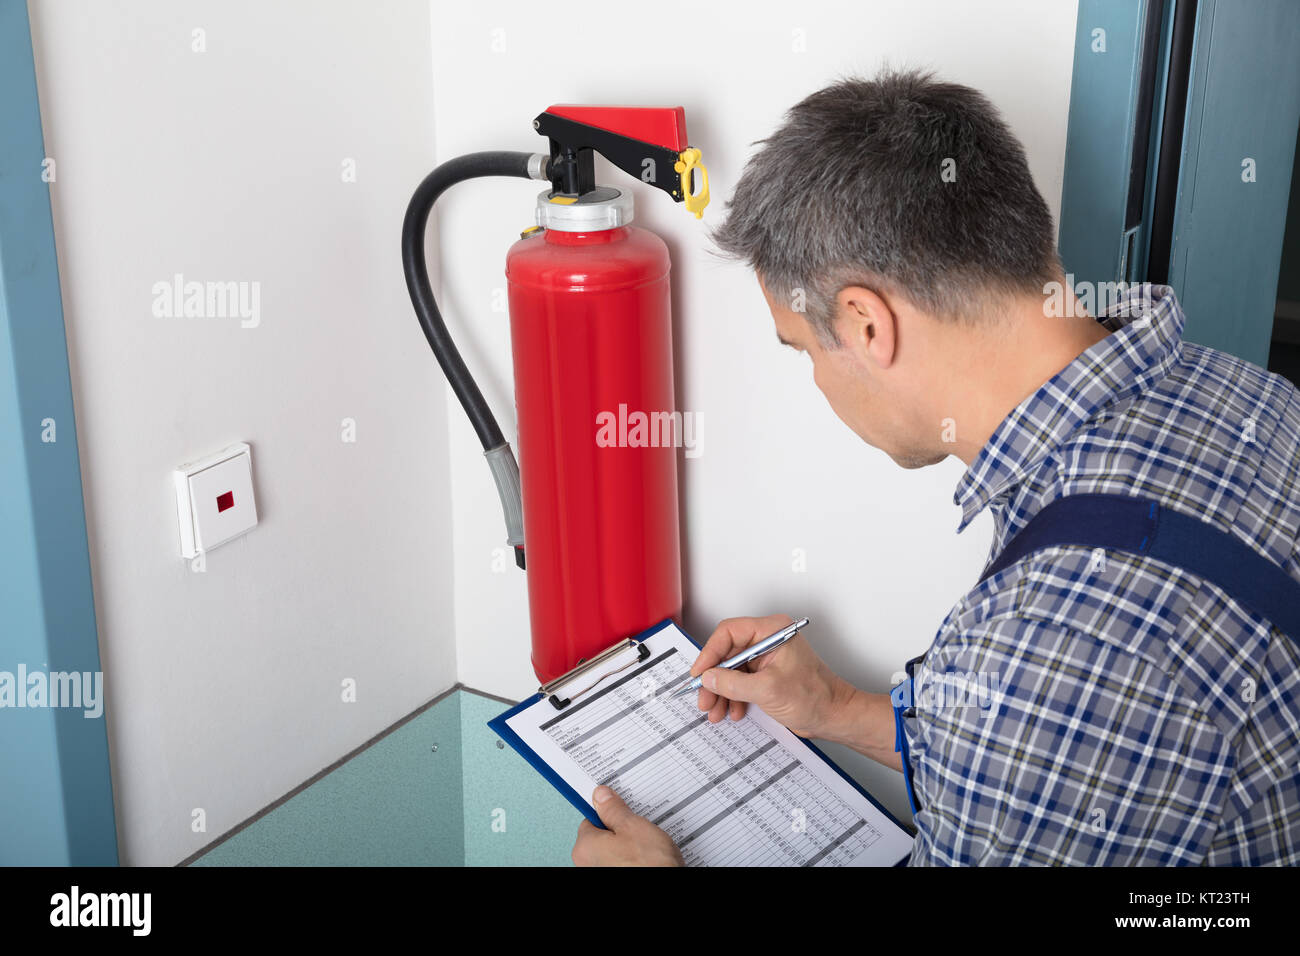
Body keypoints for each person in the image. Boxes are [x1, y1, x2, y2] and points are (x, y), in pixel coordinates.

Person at [570, 68, 1300, 867]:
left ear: (864, 323)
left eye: (803, 349)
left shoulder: (1049, 650)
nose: (814, 376)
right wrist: (837, 708)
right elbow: (1059, 767)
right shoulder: (1252, 396)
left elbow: (1044, 733)